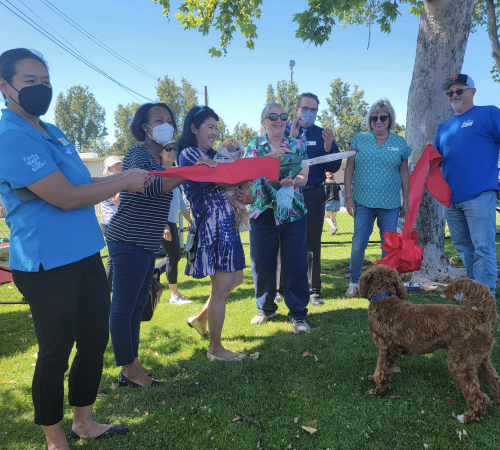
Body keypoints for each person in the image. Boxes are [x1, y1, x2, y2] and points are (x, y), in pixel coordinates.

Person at [0, 48, 150, 450]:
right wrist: (122, 181)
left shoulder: (54, 132)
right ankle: (55, 438)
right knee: (55, 351)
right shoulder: (10, 136)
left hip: (85, 253)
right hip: (45, 261)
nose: (41, 89)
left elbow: (82, 187)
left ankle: (84, 421)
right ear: (4, 86)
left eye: (46, 82)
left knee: (94, 339)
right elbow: (66, 196)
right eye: (30, 82)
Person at [106, 102, 192, 387]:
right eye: (159, 120)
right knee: (124, 307)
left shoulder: (158, 161)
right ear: (145, 127)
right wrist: (190, 171)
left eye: (169, 119)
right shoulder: (137, 154)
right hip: (128, 239)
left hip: (143, 242)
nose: (167, 124)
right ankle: (128, 370)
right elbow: (152, 187)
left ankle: (132, 364)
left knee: (136, 305)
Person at [178, 105, 252, 360]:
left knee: (237, 280)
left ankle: (200, 320)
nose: (214, 132)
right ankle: (215, 349)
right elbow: (220, 181)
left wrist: (245, 192)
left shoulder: (210, 155)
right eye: (209, 127)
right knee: (221, 288)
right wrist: (245, 173)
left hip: (226, 225)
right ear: (194, 128)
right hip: (212, 226)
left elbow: (229, 181)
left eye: (216, 128)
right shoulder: (189, 153)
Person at [430, 74, 500, 294]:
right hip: (451, 200)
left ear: (473, 92)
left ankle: (486, 300)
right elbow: (437, 160)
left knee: (483, 248)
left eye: (460, 91)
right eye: (450, 93)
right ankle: (474, 294)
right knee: (463, 247)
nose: (454, 96)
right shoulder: (443, 127)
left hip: (480, 195)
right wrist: (427, 153)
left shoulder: (489, 113)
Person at [247, 101, 311, 333]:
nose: (278, 120)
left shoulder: (298, 145)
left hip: (293, 212)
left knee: (296, 263)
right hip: (263, 212)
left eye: (282, 116)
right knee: (263, 263)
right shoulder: (254, 145)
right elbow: (250, 173)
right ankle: (265, 308)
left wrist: (294, 182)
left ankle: (298, 313)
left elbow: (304, 177)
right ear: (263, 122)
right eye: (272, 116)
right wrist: (271, 158)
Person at [344, 99, 410, 298]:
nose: (378, 121)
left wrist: (405, 200)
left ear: (390, 119)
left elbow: (405, 174)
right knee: (358, 244)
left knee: (388, 247)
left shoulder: (400, 143)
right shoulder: (358, 140)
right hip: (362, 202)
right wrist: (348, 197)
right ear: (369, 120)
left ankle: (384, 285)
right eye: (374, 118)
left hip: (390, 204)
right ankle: (354, 282)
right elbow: (349, 169)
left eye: (383, 117)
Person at [282, 92, 341, 306]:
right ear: (297, 109)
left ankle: (314, 290)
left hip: (314, 194)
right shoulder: (284, 129)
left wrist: (328, 147)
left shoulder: (322, 133)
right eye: (305, 109)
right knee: (285, 242)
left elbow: (333, 166)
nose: (308, 113)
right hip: (287, 194)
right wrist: (292, 138)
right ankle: (281, 289)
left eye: (313, 110)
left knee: (313, 243)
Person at [154, 140, 193, 305]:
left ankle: (153, 272)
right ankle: (174, 295)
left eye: (174, 149)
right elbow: (154, 201)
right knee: (173, 256)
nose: (172, 151)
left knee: (175, 255)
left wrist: (190, 221)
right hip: (164, 222)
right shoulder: (159, 174)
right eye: (168, 149)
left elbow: (181, 203)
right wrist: (163, 226)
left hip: (171, 221)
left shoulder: (176, 173)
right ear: (160, 153)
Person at [100, 155, 123, 292]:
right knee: (113, 257)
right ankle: (106, 287)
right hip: (110, 223)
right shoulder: (108, 181)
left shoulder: (118, 180)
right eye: (115, 164)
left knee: (116, 256)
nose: (119, 166)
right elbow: (116, 200)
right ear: (109, 167)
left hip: (116, 222)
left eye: (120, 163)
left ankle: (110, 286)